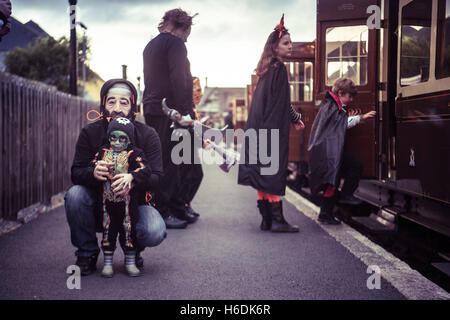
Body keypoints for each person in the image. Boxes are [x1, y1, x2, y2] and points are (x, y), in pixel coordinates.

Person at [65, 79, 166, 276]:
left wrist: (133, 178)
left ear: (133, 106)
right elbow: (76, 173)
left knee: (154, 230)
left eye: (124, 102)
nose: (117, 108)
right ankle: (87, 253)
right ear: (103, 104)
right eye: (111, 102)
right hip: (99, 204)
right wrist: (92, 173)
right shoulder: (90, 133)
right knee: (75, 195)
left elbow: (158, 177)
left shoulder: (147, 134)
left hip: (134, 204)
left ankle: (133, 249)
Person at [238, 15, 305, 233]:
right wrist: (295, 120)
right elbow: (282, 104)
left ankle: (267, 219)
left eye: (290, 43)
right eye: (286, 43)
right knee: (272, 173)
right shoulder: (279, 70)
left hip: (257, 129)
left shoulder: (266, 71)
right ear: (274, 47)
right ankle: (276, 220)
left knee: (261, 173)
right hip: (270, 131)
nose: (290, 46)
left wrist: (295, 119)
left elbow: (279, 103)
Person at [142, 8, 197, 229]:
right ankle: (163, 214)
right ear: (181, 27)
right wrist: (185, 112)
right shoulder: (175, 44)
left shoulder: (150, 45)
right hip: (170, 111)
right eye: (187, 33)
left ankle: (171, 209)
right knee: (172, 162)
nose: (187, 38)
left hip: (152, 108)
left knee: (161, 159)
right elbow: (179, 78)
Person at [308, 78, 376, 225]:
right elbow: (342, 125)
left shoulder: (331, 106)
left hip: (327, 151)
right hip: (329, 152)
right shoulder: (332, 107)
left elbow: (337, 125)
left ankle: (325, 214)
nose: (350, 100)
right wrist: (361, 117)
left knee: (333, 181)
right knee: (353, 167)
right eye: (349, 96)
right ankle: (345, 196)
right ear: (340, 93)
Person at [97, 117, 150, 277]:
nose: (117, 142)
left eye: (122, 138)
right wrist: (96, 168)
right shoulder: (102, 152)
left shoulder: (135, 153)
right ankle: (107, 263)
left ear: (129, 140)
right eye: (113, 137)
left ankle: (130, 261)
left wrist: (132, 176)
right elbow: (92, 164)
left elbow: (146, 169)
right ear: (108, 137)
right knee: (108, 230)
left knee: (129, 230)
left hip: (127, 202)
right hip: (108, 201)